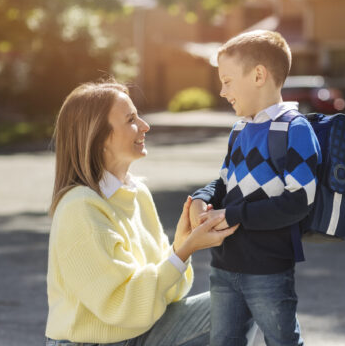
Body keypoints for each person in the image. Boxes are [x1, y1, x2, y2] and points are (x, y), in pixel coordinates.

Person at [45, 80, 238, 346]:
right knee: (236, 307)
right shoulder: (80, 208)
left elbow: (169, 295)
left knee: (241, 302)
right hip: (94, 342)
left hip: (139, 332)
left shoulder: (137, 193)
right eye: (131, 119)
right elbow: (121, 305)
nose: (145, 126)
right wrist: (183, 253)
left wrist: (179, 248)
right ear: (100, 137)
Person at [189, 30, 322, 346]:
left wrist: (231, 214)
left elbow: (298, 201)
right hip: (224, 267)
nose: (222, 91)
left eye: (228, 81)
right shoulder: (239, 130)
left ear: (259, 75)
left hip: (268, 271)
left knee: (282, 341)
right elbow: (224, 181)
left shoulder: (294, 129)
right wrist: (202, 197)